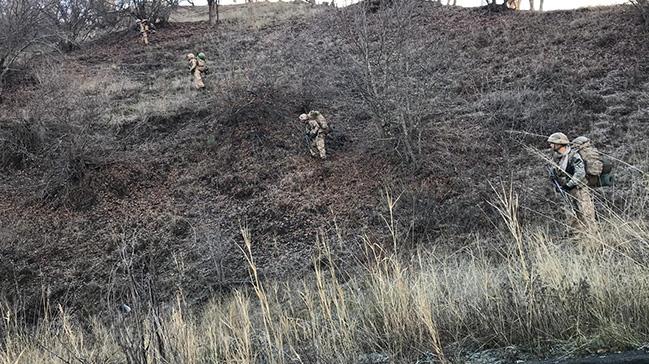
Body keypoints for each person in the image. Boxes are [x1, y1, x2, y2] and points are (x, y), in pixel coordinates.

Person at [547, 132, 597, 232]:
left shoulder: (574, 155)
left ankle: (593, 235)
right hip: (568, 190)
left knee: (586, 212)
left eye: (552, 143)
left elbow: (580, 173)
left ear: (559, 143)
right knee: (572, 214)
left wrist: (568, 185)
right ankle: (578, 234)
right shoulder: (559, 157)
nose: (550, 145)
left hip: (580, 188)